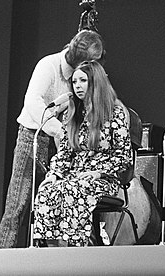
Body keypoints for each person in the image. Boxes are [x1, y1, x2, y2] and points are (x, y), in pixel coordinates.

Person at [0, 30, 105, 248]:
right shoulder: (49, 65)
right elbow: (32, 101)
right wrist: (58, 130)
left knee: (58, 204)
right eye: (90, 62)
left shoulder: (81, 77)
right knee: (17, 206)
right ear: (78, 57)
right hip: (32, 138)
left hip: (60, 144)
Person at [32, 60, 132, 247]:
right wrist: (53, 175)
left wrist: (98, 173)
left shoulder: (114, 113)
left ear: (95, 82)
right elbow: (64, 153)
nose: (77, 86)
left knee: (75, 189)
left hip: (103, 178)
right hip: (74, 175)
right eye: (75, 82)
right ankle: (49, 250)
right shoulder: (73, 114)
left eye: (83, 81)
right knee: (47, 191)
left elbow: (123, 156)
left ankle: (76, 249)